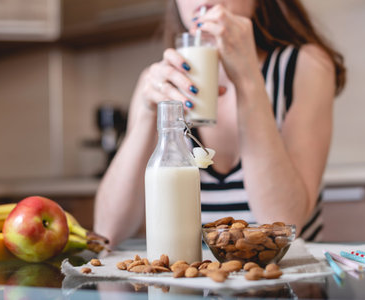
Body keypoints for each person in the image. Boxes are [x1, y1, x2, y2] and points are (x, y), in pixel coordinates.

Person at [94, 0, 346, 247]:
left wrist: (248, 80)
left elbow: (282, 224)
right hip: (197, 282)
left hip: (288, 284)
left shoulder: (306, 66)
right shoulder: (161, 83)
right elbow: (107, 231)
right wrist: (148, 116)